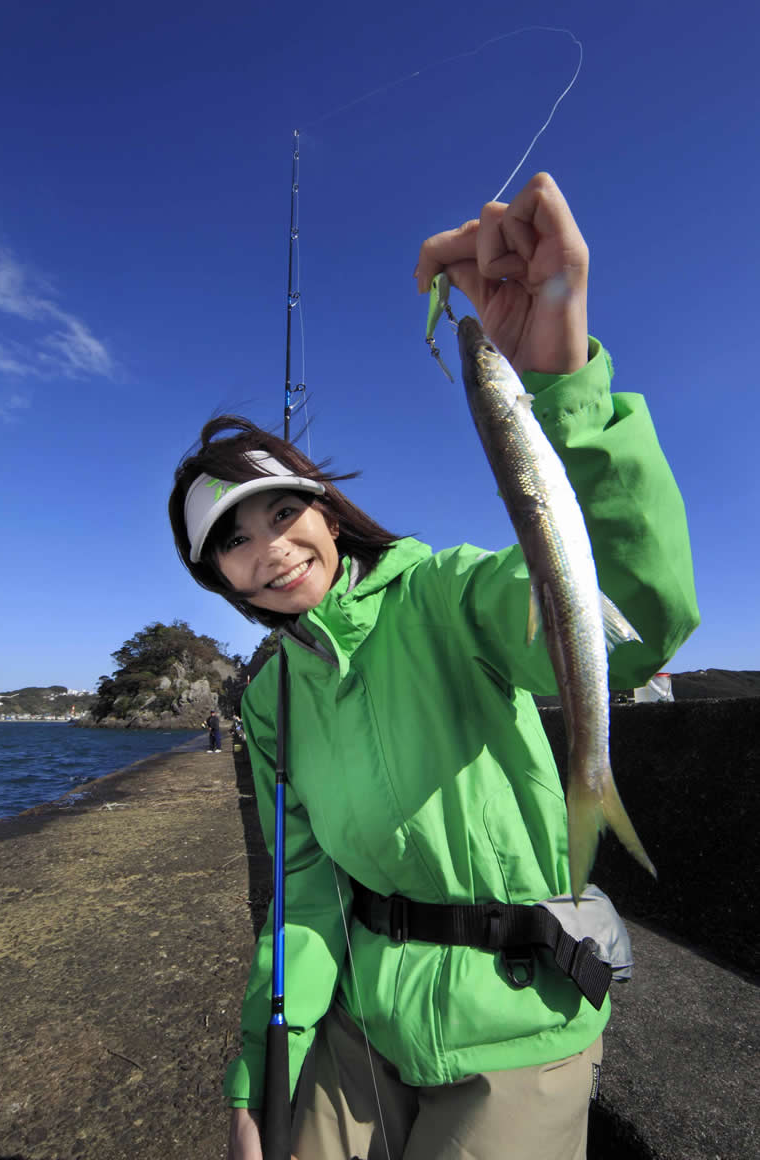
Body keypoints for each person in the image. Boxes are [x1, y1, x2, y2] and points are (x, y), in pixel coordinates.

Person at [168, 173, 699, 1160]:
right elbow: (303, 888)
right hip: (356, 1024)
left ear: (326, 507)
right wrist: (260, 1062)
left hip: (515, 1020)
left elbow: (632, 609)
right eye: (231, 542)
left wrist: (560, 372)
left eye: (282, 509)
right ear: (219, 578)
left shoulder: (448, 594)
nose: (269, 548)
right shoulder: (273, 695)